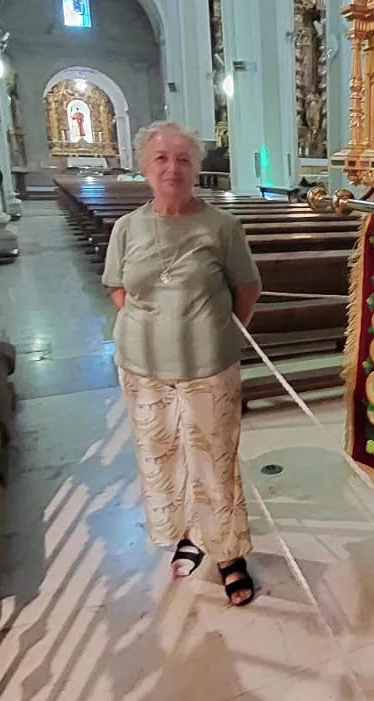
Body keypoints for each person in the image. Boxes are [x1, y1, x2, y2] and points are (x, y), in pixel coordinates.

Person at [101, 121, 263, 606]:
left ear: (196, 168)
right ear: (145, 167)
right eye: (161, 158)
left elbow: (247, 288)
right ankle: (190, 535)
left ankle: (229, 554)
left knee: (215, 462)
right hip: (142, 369)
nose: (172, 168)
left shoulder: (221, 226)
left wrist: (211, 329)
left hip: (208, 368)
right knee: (163, 459)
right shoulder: (126, 228)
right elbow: (117, 288)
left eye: (183, 159)